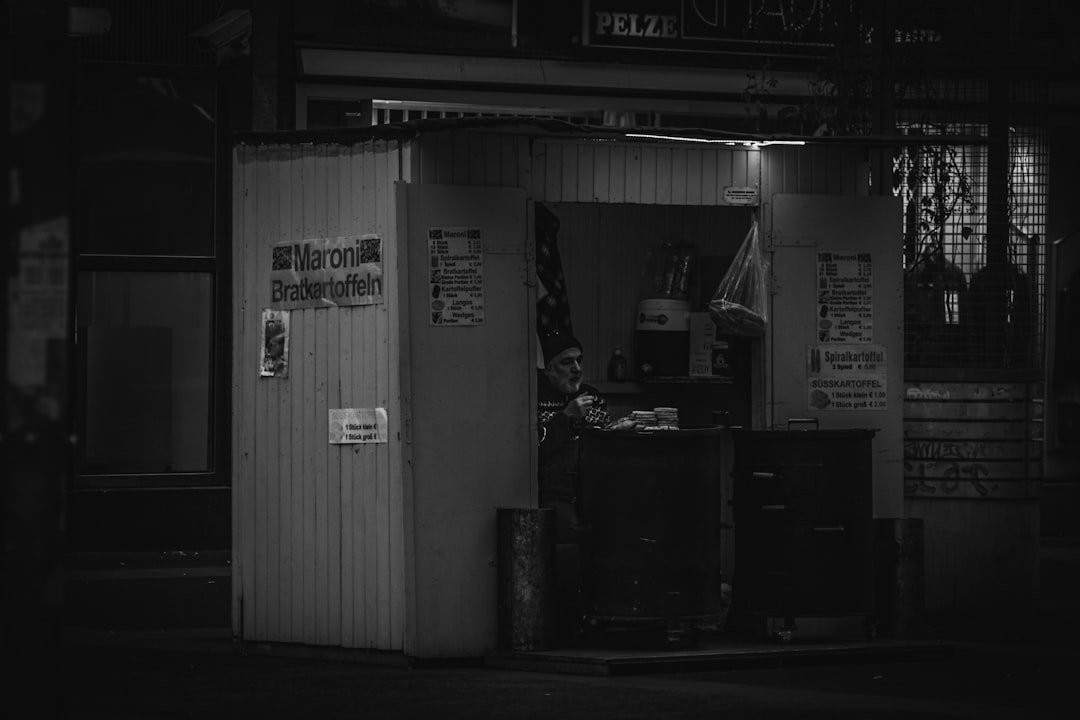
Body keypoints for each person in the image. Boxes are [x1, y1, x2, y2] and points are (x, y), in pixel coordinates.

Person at [536, 333, 609, 643]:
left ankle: (600, 620)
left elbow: (606, 440)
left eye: (579, 360)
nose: (576, 369)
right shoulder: (533, 395)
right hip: (552, 495)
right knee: (567, 551)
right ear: (548, 369)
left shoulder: (592, 396)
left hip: (592, 494)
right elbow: (530, 446)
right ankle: (569, 627)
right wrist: (565, 419)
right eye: (567, 362)